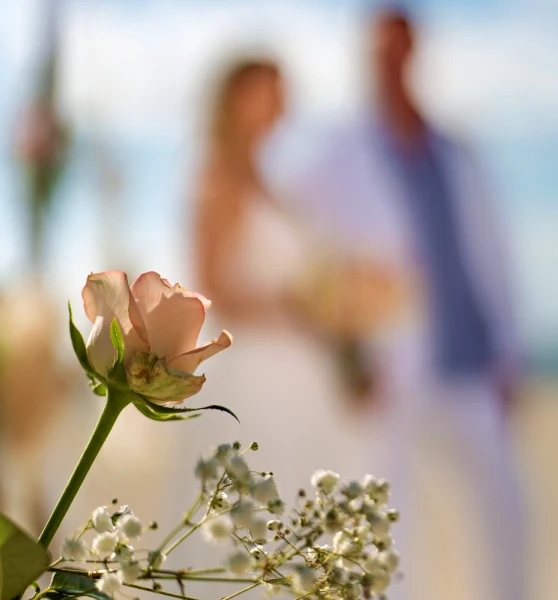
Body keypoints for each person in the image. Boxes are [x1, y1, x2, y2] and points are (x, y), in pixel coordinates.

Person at [261, 8, 525, 600]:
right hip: (391, 370)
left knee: (505, 512)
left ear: (415, 52)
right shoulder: (338, 153)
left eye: (399, 49)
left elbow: (494, 254)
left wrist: (512, 348)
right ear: (368, 57)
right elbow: (289, 237)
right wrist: (342, 340)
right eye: (378, 51)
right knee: (390, 525)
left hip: (473, 364)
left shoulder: (457, 152)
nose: (389, 61)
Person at [167, 58, 370, 596]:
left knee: (304, 519)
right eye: (270, 92)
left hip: (299, 372)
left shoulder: (268, 178)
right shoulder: (217, 172)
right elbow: (209, 284)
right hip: (253, 374)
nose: (282, 105)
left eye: (284, 93)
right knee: (250, 525)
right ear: (236, 97)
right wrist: (294, 306)